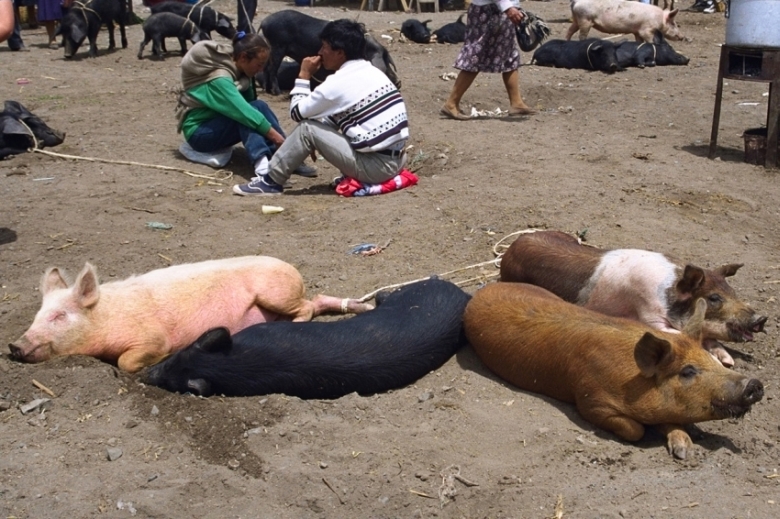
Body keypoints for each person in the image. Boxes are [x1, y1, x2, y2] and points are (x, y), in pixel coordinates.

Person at [232, 19, 409, 196]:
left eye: (324, 46)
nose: (319, 52)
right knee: (313, 130)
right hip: (395, 160)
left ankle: (271, 181)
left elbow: (296, 113)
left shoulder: (337, 82)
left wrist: (303, 75)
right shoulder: (371, 71)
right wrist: (319, 140)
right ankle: (286, 165)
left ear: (339, 52)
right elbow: (337, 116)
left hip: (377, 168)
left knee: (306, 129)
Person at [176, 31, 315, 177]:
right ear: (243, 58)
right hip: (199, 134)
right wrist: (278, 139)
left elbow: (252, 104)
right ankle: (262, 166)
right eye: (259, 65)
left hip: (217, 123)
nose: (261, 70)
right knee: (246, 116)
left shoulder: (242, 75)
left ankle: (285, 156)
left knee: (258, 106)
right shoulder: (220, 79)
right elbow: (243, 112)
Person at [440, 0, 536, 120]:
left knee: (509, 54)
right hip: (488, 11)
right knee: (476, 55)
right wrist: (508, 7)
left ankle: (516, 102)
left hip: (501, 10)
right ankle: (451, 103)